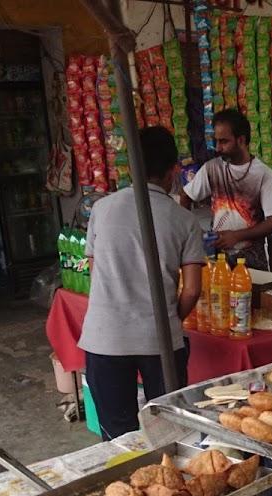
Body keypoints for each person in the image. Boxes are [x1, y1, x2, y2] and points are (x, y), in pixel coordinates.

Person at [80, 126, 203, 441]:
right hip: (159, 338)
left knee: (117, 439)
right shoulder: (184, 220)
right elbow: (191, 289)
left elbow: (96, 272)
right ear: (172, 170)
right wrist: (171, 317)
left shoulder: (101, 209)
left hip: (105, 336)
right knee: (168, 432)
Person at [181, 109, 272, 270]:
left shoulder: (264, 175)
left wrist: (237, 236)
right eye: (216, 141)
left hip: (252, 261)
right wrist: (194, 232)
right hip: (218, 260)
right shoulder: (212, 169)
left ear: (241, 140)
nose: (217, 148)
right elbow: (186, 196)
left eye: (224, 142)